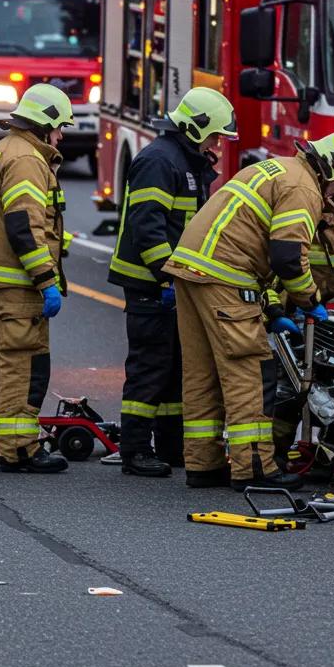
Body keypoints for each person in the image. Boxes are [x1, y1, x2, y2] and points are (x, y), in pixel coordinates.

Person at [163, 130, 334, 491]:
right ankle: (256, 468)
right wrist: (311, 301)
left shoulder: (280, 169)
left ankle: (204, 464)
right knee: (250, 373)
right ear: (333, 167)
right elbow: (288, 257)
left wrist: (272, 306)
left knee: (203, 375)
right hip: (226, 278)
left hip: (192, 271)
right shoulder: (304, 188)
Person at [107, 87, 237, 478]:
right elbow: (147, 226)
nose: (218, 144)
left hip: (168, 281)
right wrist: (167, 276)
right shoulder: (160, 162)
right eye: (215, 135)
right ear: (197, 129)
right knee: (149, 367)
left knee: (174, 367)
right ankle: (134, 450)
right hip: (150, 283)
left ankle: (169, 445)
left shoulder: (184, 160)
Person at [0, 83, 73, 473]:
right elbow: (23, 224)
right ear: (44, 125)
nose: (61, 135)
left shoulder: (2, 149)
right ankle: (20, 448)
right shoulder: (27, 158)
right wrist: (46, 279)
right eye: (59, 127)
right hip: (16, 280)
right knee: (23, 362)